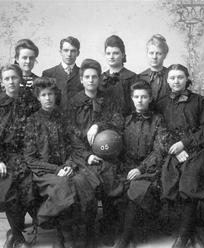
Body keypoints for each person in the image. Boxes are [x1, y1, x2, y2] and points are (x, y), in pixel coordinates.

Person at [24, 77, 99, 248]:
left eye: (50, 94)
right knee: (63, 185)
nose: (48, 98)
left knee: (82, 182)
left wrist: (67, 166)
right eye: (44, 95)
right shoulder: (32, 121)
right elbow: (30, 159)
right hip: (45, 172)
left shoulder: (63, 118)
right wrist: (57, 169)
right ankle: (61, 233)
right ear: (38, 97)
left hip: (68, 166)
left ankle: (85, 231)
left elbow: (74, 146)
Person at [156, 64, 204, 248]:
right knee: (171, 178)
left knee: (190, 180)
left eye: (180, 77)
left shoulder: (200, 101)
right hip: (173, 150)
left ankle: (183, 237)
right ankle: (192, 232)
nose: (176, 81)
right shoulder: (161, 103)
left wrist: (185, 144)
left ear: (187, 79)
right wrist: (175, 148)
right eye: (172, 78)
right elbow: (160, 131)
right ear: (167, 80)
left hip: (198, 149)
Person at [0, 64, 37, 248]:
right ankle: (18, 236)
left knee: (28, 182)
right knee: (8, 184)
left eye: (15, 77)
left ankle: (15, 232)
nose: (11, 82)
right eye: (7, 79)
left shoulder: (31, 102)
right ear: (2, 82)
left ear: (21, 80)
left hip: (24, 153)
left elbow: (36, 130)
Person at [70, 58, 124, 245]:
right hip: (82, 157)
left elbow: (118, 123)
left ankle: (108, 226)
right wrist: (86, 155)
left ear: (100, 78)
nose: (91, 80)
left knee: (111, 178)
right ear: (81, 79)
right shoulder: (74, 102)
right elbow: (71, 134)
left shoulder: (108, 100)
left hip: (107, 153)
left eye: (95, 76)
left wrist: (98, 125)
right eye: (87, 77)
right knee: (82, 182)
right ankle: (88, 230)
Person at [112, 81, 167, 248]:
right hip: (126, 167)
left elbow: (158, 150)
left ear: (150, 98)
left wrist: (140, 168)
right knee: (119, 187)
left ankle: (125, 237)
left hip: (148, 169)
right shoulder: (126, 120)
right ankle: (132, 232)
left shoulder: (158, 120)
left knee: (137, 188)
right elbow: (115, 143)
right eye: (136, 97)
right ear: (131, 99)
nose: (140, 100)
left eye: (144, 97)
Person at [42, 36, 83, 110]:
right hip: (55, 117)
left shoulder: (84, 74)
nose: (69, 54)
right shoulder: (48, 74)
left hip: (77, 118)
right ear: (60, 52)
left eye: (73, 51)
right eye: (66, 50)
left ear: (78, 53)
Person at [101, 35, 137, 116]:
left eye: (115, 53)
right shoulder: (101, 78)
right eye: (108, 53)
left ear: (123, 55)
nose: (111, 57)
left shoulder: (132, 78)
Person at [138, 34, 171, 107]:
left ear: (165, 55)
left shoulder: (171, 76)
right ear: (147, 54)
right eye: (151, 53)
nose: (154, 57)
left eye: (159, 53)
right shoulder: (139, 77)